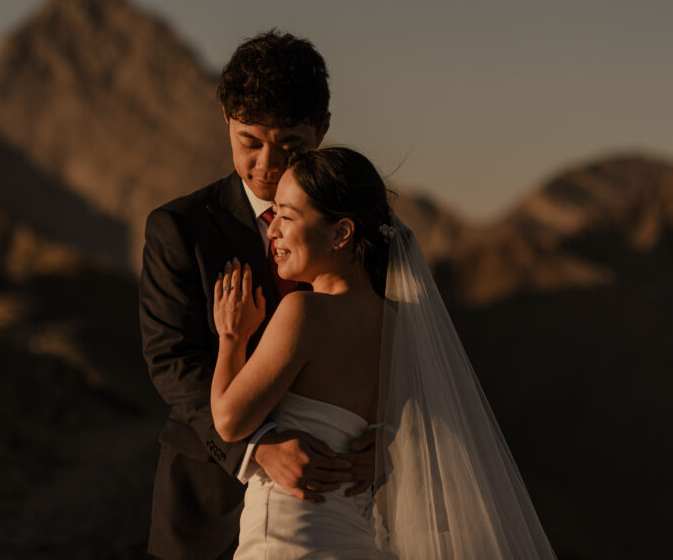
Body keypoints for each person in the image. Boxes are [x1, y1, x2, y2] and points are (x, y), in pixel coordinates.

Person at [211, 147, 558, 559]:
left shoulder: (303, 312)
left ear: (341, 233)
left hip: (287, 541)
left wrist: (232, 337)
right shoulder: (400, 327)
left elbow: (230, 421)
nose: (273, 231)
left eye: (287, 217)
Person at [139, 32, 375, 560]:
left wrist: (388, 443)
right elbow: (171, 360)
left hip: (335, 509)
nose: (269, 164)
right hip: (205, 508)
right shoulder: (179, 228)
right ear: (226, 117)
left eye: (291, 145)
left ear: (323, 128)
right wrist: (258, 446)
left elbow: (396, 351)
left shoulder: (359, 234)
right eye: (250, 142)